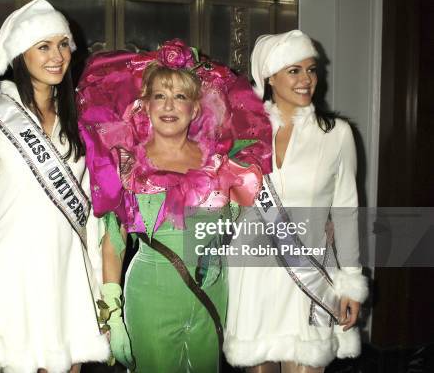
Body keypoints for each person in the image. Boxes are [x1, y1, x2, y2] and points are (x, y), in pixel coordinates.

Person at [76, 39, 272, 372]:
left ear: (195, 108)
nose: (169, 106)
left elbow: (240, 231)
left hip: (211, 297)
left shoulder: (221, 162)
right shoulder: (126, 162)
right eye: (160, 96)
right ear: (146, 105)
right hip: (151, 298)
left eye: (180, 96)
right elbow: (114, 240)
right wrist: (112, 307)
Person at [224, 30, 368, 373]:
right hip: (254, 273)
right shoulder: (242, 132)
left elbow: (346, 212)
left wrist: (351, 280)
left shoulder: (337, 135)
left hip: (310, 271)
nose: (307, 80)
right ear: (269, 77)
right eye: (294, 70)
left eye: (311, 69)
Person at [0, 0, 108, 372]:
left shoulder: (78, 116)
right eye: (44, 46)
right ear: (21, 55)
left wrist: (101, 281)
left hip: (70, 263)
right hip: (18, 264)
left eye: (62, 44)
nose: (57, 55)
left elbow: (90, 201)